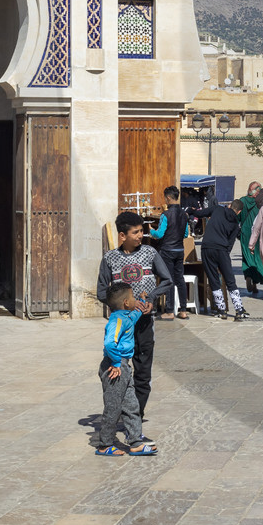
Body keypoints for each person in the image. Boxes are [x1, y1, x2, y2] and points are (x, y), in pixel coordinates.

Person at [96, 211, 166, 420]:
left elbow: (167, 280)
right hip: (120, 327)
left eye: (141, 231)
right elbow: (101, 292)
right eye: (135, 232)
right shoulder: (109, 258)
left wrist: (151, 298)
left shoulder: (151, 253)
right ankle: (116, 413)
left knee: (143, 373)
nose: (140, 236)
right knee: (116, 370)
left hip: (144, 322)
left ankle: (136, 415)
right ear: (122, 236)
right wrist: (120, 308)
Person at [91, 282, 157, 456]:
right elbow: (109, 343)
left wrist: (142, 301)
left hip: (124, 367)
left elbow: (135, 316)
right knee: (113, 407)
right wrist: (115, 362)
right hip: (115, 367)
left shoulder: (126, 316)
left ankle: (135, 442)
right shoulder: (117, 320)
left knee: (131, 405)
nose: (135, 299)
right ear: (126, 302)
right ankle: (104, 444)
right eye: (133, 297)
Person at [200, 198, 248, 321]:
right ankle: (239, 309)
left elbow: (201, 213)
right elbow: (230, 244)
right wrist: (224, 259)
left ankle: (221, 310)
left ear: (230, 205)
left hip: (207, 247)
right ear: (239, 211)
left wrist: (190, 211)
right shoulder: (235, 224)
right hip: (222, 250)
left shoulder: (217, 209)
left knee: (213, 279)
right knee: (230, 280)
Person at [149, 186, 191, 320]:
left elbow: (159, 234)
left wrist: (150, 230)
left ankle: (169, 311)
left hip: (167, 250)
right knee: (180, 279)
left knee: (169, 280)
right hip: (180, 250)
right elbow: (185, 234)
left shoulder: (165, 215)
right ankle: (183, 310)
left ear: (168, 197)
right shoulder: (184, 215)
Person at [236, 182, 263, 297]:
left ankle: (249, 277)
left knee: (246, 257)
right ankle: (261, 280)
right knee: (257, 257)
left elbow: (237, 217)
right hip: (258, 234)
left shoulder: (242, 201)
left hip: (245, 234)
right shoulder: (261, 203)